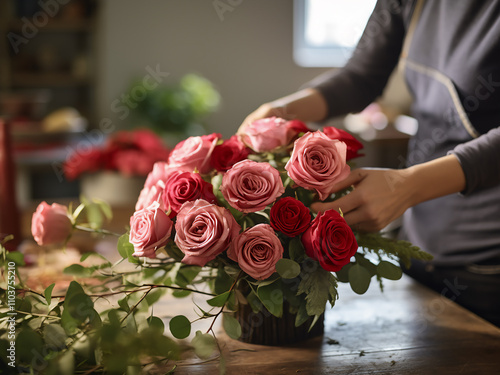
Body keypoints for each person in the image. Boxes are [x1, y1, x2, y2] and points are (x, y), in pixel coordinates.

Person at [239, 0, 500, 327]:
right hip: (422, 237)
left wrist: (409, 186)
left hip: (488, 256)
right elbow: (362, 76)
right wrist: (280, 110)